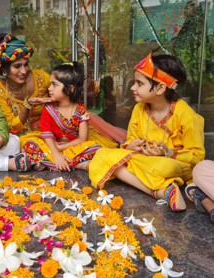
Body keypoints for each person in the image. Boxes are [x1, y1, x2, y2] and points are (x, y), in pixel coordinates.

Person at [88, 52, 205, 212]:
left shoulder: (186, 115)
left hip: (172, 163)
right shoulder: (139, 108)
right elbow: (130, 140)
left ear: (160, 88)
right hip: (144, 159)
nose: (132, 87)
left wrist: (168, 153)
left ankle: (159, 189)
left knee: (157, 167)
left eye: (139, 83)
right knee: (103, 154)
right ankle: (162, 192)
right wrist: (131, 147)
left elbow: (197, 157)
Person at [0, 33, 127, 151]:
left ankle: (126, 144)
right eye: (17, 66)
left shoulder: (41, 76)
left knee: (88, 119)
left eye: (26, 64)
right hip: (28, 132)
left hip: (56, 122)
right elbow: (13, 126)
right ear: (4, 69)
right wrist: (27, 106)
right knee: (31, 144)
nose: (24, 71)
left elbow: (64, 92)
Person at [23, 62, 102, 172]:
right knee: (30, 145)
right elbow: (47, 135)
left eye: (54, 85)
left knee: (95, 148)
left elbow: (82, 138)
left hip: (73, 147)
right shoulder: (48, 108)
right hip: (51, 146)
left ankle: (48, 163)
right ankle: (75, 164)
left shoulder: (81, 110)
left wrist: (61, 148)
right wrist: (56, 153)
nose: (49, 88)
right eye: (50, 84)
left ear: (70, 89)